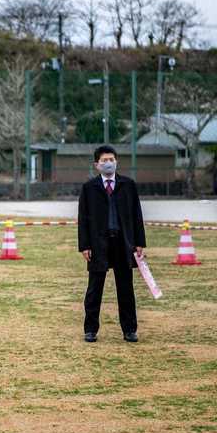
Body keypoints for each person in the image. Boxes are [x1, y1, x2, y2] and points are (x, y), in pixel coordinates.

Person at [78, 145, 146, 343]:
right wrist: (85, 246)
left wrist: (139, 242)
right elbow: (83, 218)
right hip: (99, 244)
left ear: (116, 162)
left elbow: (137, 215)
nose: (108, 163)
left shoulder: (128, 185)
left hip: (123, 243)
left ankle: (129, 329)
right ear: (96, 165)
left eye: (111, 159)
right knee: (94, 288)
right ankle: (90, 329)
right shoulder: (89, 188)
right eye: (104, 160)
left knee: (126, 288)